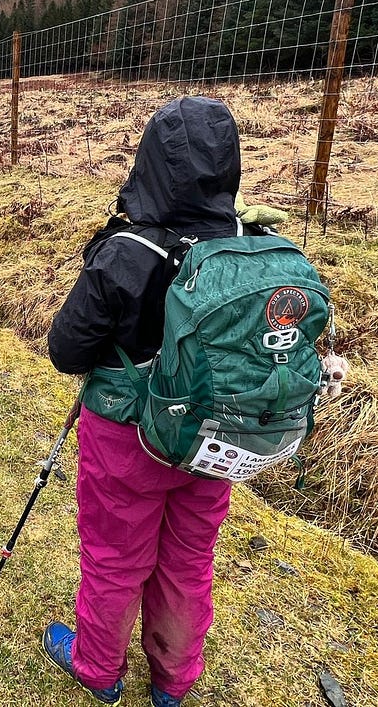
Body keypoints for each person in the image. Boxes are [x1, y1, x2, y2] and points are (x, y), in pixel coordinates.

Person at [42, 96, 247, 707]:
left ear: (149, 160)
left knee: (114, 556)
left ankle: (98, 668)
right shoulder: (248, 246)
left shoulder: (128, 250)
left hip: (127, 437)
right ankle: (173, 684)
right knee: (188, 560)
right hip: (212, 439)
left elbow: (66, 347)